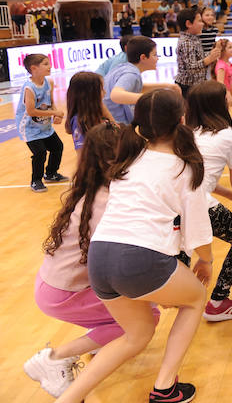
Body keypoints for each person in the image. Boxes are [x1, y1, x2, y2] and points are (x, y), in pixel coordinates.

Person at [58, 90, 212, 403]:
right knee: (195, 299)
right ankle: (165, 386)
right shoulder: (185, 166)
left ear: (138, 124)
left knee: (137, 335)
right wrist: (206, 261)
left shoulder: (129, 159)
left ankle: (69, 398)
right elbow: (198, 230)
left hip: (100, 259)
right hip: (139, 258)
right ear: (181, 120)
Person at [25, 124, 152, 397]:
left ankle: (89, 345)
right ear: (112, 161)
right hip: (64, 292)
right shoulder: (106, 202)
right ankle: (55, 357)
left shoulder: (92, 189)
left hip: (55, 285)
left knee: (134, 312)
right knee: (145, 317)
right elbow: (118, 263)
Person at [185, 81, 232, 321]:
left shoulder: (187, 134)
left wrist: (228, 196)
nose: (230, 99)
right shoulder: (228, 137)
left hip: (175, 204)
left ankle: (181, 299)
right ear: (218, 104)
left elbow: (202, 178)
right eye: (227, 96)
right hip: (199, 205)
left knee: (182, 248)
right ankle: (218, 301)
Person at [15, 54, 67, 193]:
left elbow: (51, 102)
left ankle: (50, 174)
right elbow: (31, 111)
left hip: (44, 125)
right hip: (29, 127)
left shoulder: (48, 82)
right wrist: (53, 113)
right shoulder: (29, 88)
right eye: (45, 64)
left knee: (57, 147)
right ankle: (36, 180)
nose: (50, 66)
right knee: (40, 153)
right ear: (34, 68)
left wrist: (56, 113)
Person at [104, 36, 175, 124]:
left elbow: (134, 88)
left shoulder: (125, 67)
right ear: (143, 57)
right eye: (155, 55)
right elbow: (116, 95)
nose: (157, 58)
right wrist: (154, 99)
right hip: (116, 126)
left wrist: (167, 86)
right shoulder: (131, 74)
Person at [175, 7, 224, 97]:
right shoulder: (187, 42)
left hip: (196, 84)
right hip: (188, 87)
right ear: (189, 24)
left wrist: (212, 53)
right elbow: (190, 68)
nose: (202, 24)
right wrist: (209, 58)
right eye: (200, 21)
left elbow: (198, 57)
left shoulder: (194, 38)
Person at [64, 72, 116, 151]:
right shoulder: (78, 121)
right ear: (90, 94)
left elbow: (116, 131)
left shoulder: (98, 112)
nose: (105, 92)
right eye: (101, 89)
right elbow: (81, 154)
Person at [214, 38, 232, 108]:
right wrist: (228, 95)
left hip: (226, 94)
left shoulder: (229, 64)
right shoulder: (221, 65)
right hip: (221, 95)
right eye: (230, 47)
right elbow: (220, 82)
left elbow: (230, 81)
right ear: (222, 51)